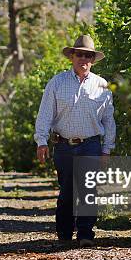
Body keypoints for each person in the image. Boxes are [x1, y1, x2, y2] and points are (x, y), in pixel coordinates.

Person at [34, 34, 116, 248]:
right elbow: (45, 114)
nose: (84, 59)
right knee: (67, 191)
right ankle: (64, 233)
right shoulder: (57, 82)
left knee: (89, 189)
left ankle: (86, 233)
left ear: (92, 59)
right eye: (79, 54)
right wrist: (41, 141)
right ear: (72, 56)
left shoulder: (101, 85)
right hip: (64, 145)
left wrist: (107, 149)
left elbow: (109, 120)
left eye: (88, 56)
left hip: (91, 144)